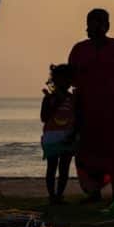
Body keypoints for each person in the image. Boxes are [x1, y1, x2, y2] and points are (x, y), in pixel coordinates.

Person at [69, 8, 114, 203]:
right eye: (90, 22)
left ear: (107, 25)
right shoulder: (79, 49)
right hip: (87, 107)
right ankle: (93, 192)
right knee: (88, 150)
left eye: (98, 22)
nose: (92, 27)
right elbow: (71, 76)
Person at [41, 64, 77, 204]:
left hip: (68, 136)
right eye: (61, 80)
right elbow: (44, 117)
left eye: (67, 80)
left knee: (64, 168)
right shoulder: (49, 98)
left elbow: (77, 118)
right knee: (51, 167)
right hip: (52, 137)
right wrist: (55, 103)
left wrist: (74, 134)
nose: (64, 83)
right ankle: (52, 196)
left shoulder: (73, 98)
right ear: (54, 80)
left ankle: (59, 196)